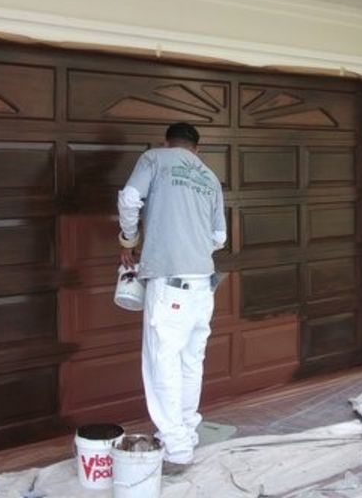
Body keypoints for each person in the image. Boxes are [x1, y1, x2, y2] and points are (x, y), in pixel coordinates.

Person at [117, 122, 226, 472]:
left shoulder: (154, 158)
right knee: (191, 361)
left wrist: (129, 239)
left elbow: (130, 197)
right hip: (203, 284)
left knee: (162, 361)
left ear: (167, 141)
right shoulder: (209, 176)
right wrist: (192, 245)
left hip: (170, 285)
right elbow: (219, 237)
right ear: (197, 147)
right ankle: (187, 432)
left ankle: (177, 449)